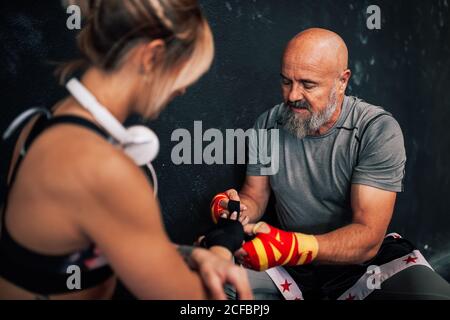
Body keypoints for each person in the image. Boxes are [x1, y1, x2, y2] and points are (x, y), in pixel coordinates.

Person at [0, 0, 252, 300]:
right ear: (153, 56)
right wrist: (223, 244)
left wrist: (190, 254)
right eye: (186, 73)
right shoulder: (104, 171)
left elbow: (72, 249)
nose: (183, 88)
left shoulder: (41, 124)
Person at [214, 28, 450, 300]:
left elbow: (368, 237)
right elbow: (255, 195)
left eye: (308, 84)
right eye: (286, 81)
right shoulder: (268, 124)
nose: (292, 95)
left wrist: (294, 246)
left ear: (342, 81)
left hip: (361, 264)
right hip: (292, 264)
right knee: (210, 285)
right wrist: (238, 209)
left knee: (433, 296)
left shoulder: (376, 129)